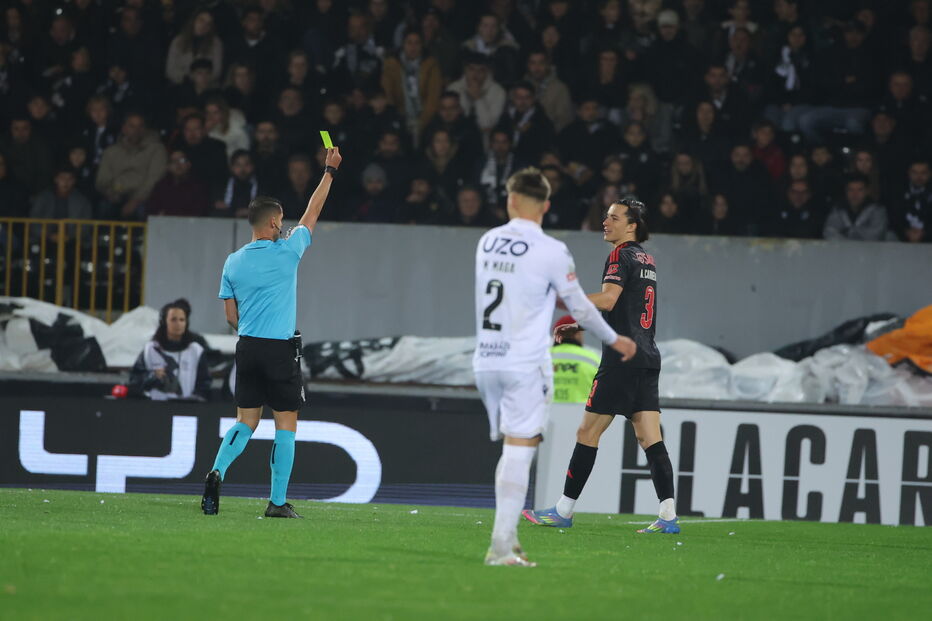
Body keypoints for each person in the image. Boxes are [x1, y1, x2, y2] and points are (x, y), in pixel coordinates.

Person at [473, 167, 636, 566]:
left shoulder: (487, 241)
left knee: (511, 445)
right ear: (546, 206)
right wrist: (615, 339)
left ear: (509, 200)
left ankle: (506, 541)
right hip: (524, 361)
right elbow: (579, 305)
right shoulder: (550, 250)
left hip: (486, 359)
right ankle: (500, 544)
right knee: (521, 445)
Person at [202, 145, 343, 519]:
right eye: (280, 220)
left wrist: (251, 324)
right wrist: (329, 172)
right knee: (286, 426)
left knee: (245, 422)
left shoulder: (232, 262)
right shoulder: (288, 251)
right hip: (280, 350)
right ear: (273, 222)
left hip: (247, 347)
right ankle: (277, 502)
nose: (283, 225)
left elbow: (230, 315)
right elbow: (313, 212)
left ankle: (217, 471)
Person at [523, 197, 678, 536]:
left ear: (632, 225)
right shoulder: (645, 259)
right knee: (649, 436)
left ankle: (563, 510)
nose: (605, 222)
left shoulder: (620, 255)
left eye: (613, 217)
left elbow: (608, 300)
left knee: (587, 433)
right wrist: (577, 325)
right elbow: (626, 308)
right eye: (606, 216)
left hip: (621, 359)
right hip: (648, 358)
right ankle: (668, 516)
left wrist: (559, 297)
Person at [128, 298, 211, 401]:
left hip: (187, 410)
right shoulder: (150, 349)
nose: (178, 324)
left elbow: (204, 384)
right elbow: (134, 380)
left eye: (182, 320)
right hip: (155, 408)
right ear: (164, 322)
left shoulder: (196, 351)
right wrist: (152, 377)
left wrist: (195, 399)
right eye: (173, 319)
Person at [823, 174, 891, 241]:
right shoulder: (838, 209)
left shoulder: (878, 210)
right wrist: (849, 244)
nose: (855, 194)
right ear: (846, 192)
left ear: (867, 191)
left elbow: (876, 235)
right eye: (851, 190)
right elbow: (829, 232)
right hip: (844, 250)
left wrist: (850, 232)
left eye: (860, 190)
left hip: (871, 250)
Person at [550, 315, 600, 404]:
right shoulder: (593, 359)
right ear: (576, 333)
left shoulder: (543, 357)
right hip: (581, 414)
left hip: (546, 413)